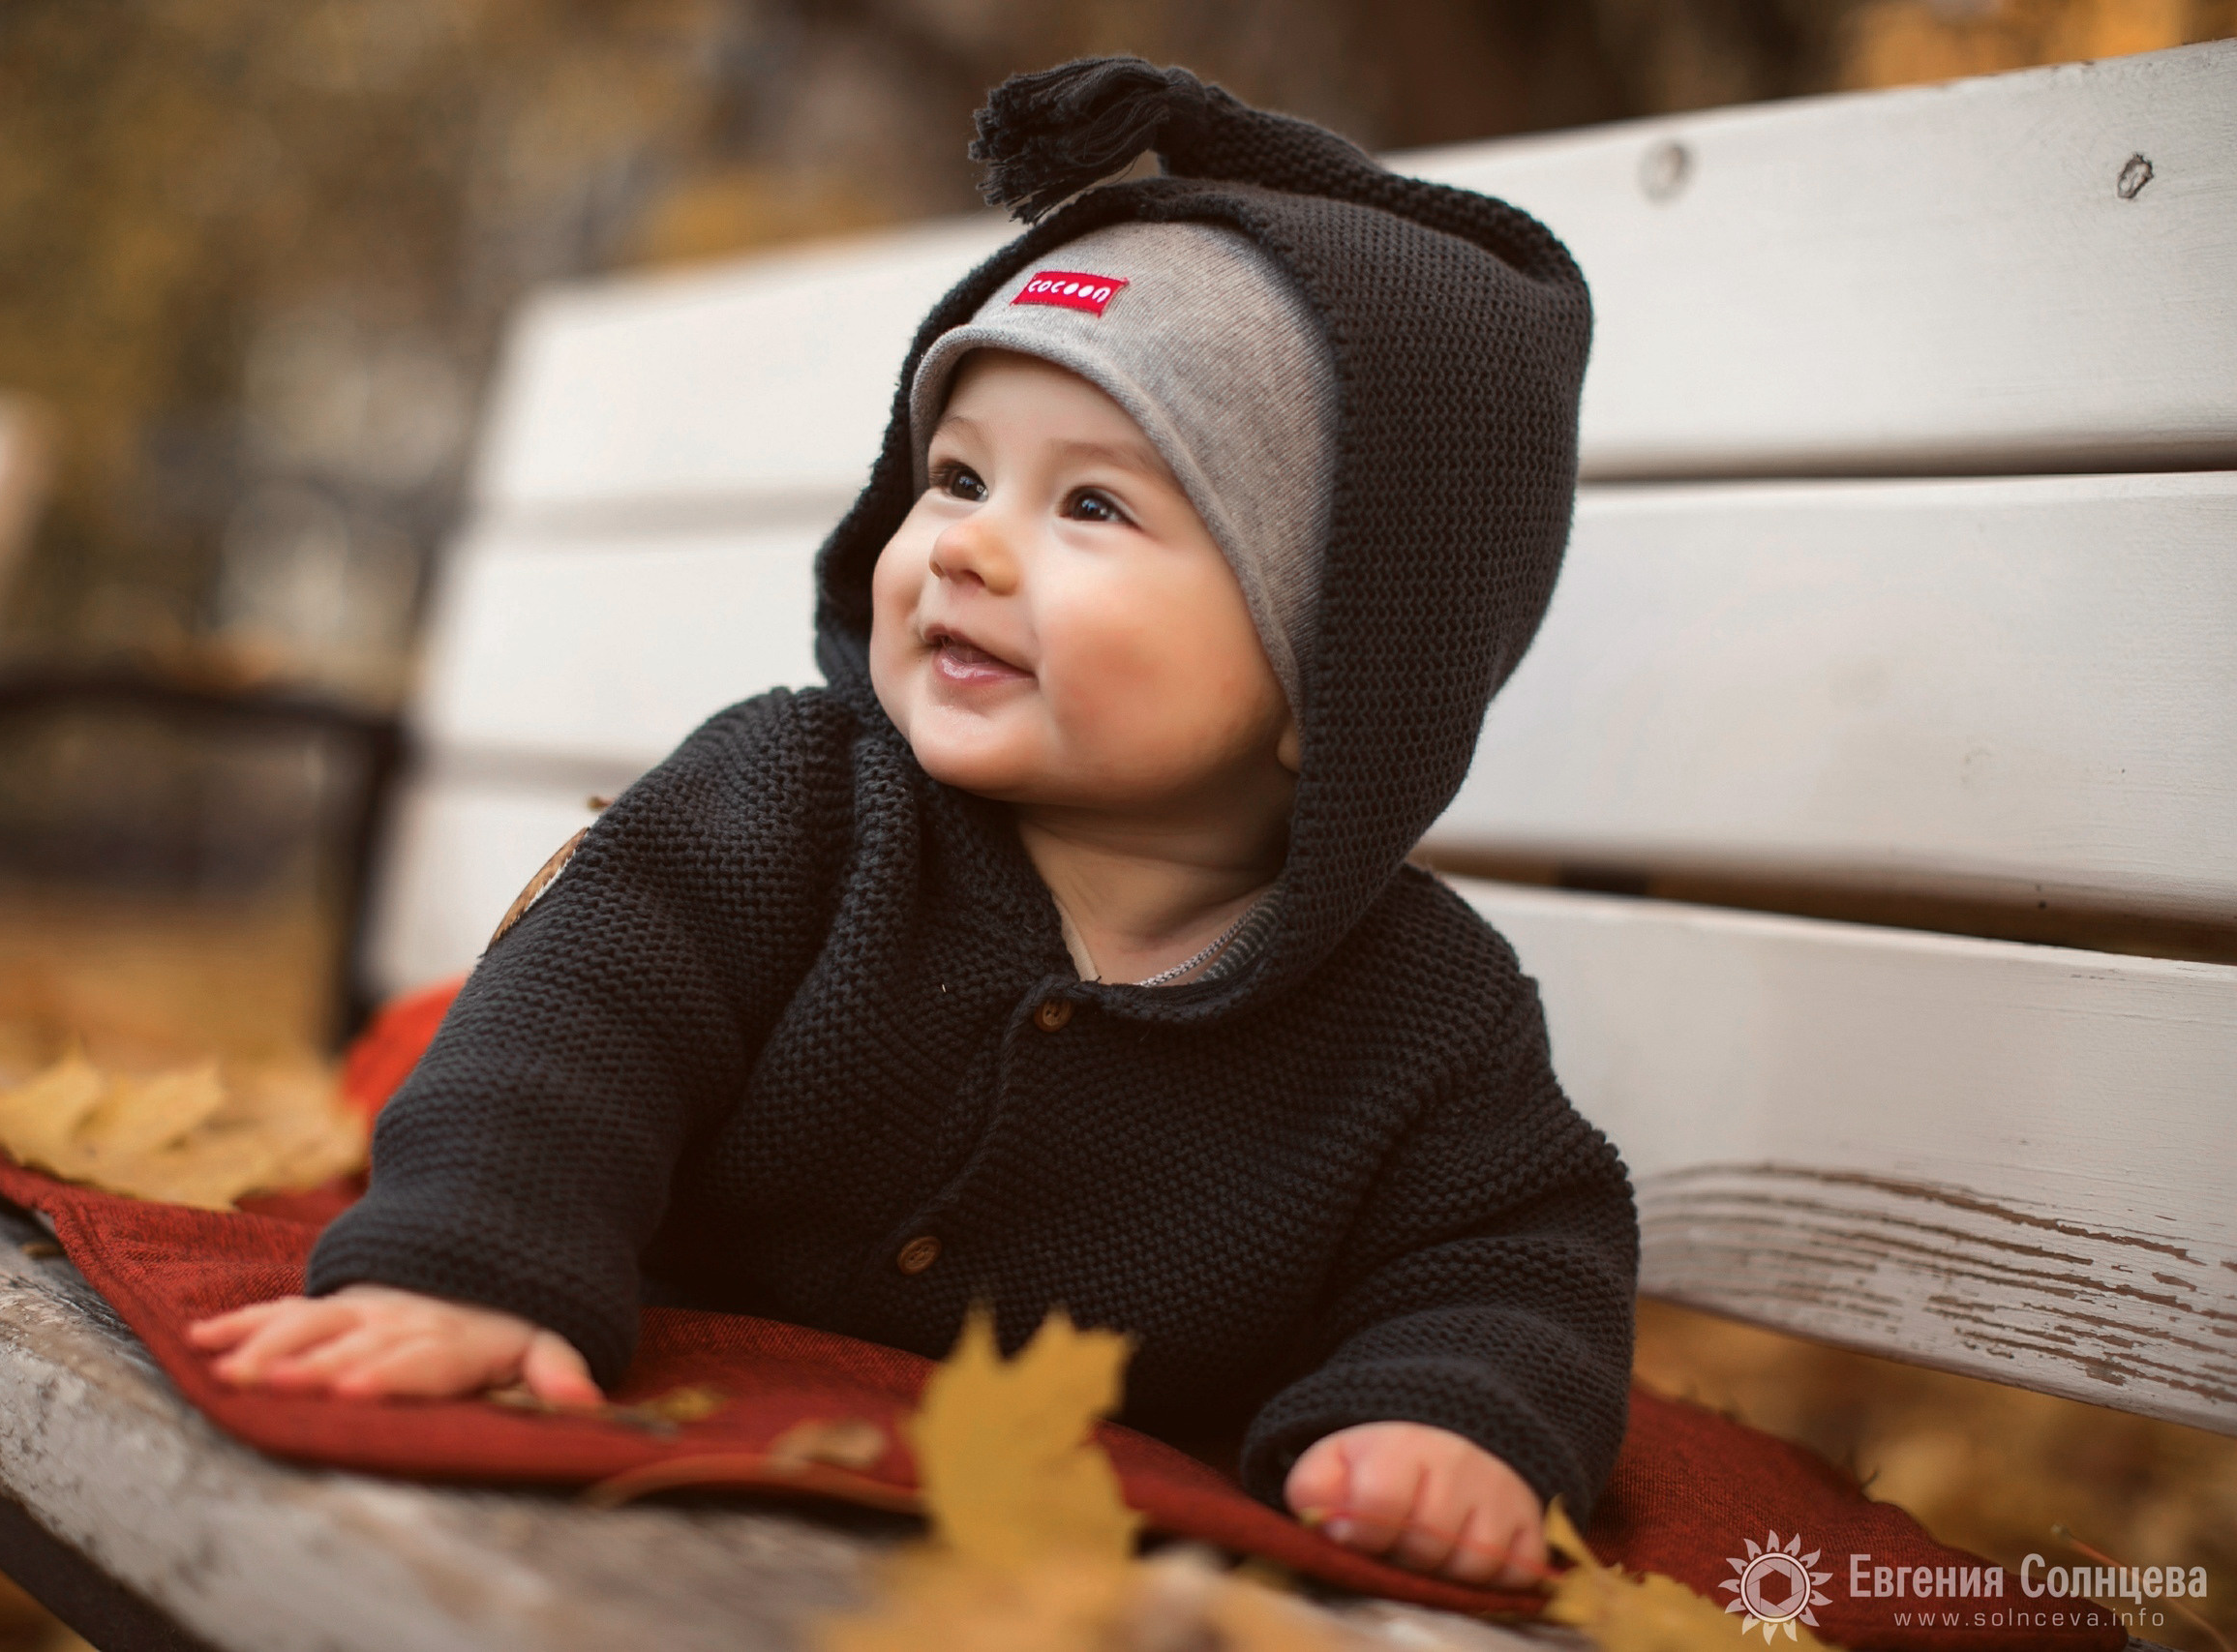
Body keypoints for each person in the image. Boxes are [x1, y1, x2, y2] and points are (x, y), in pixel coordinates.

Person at [189, 57, 1637, 1590]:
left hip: (1024, 1570)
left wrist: (1449, 1417)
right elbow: (575, 1028)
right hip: (640, 1448)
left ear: (1336, 676)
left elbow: (1514, 1258)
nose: (968, 554)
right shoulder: (794, 806)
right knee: (488, 1066)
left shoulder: (1420, 1016)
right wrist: (476, 1261)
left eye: (1093, 508)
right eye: (955, 478)